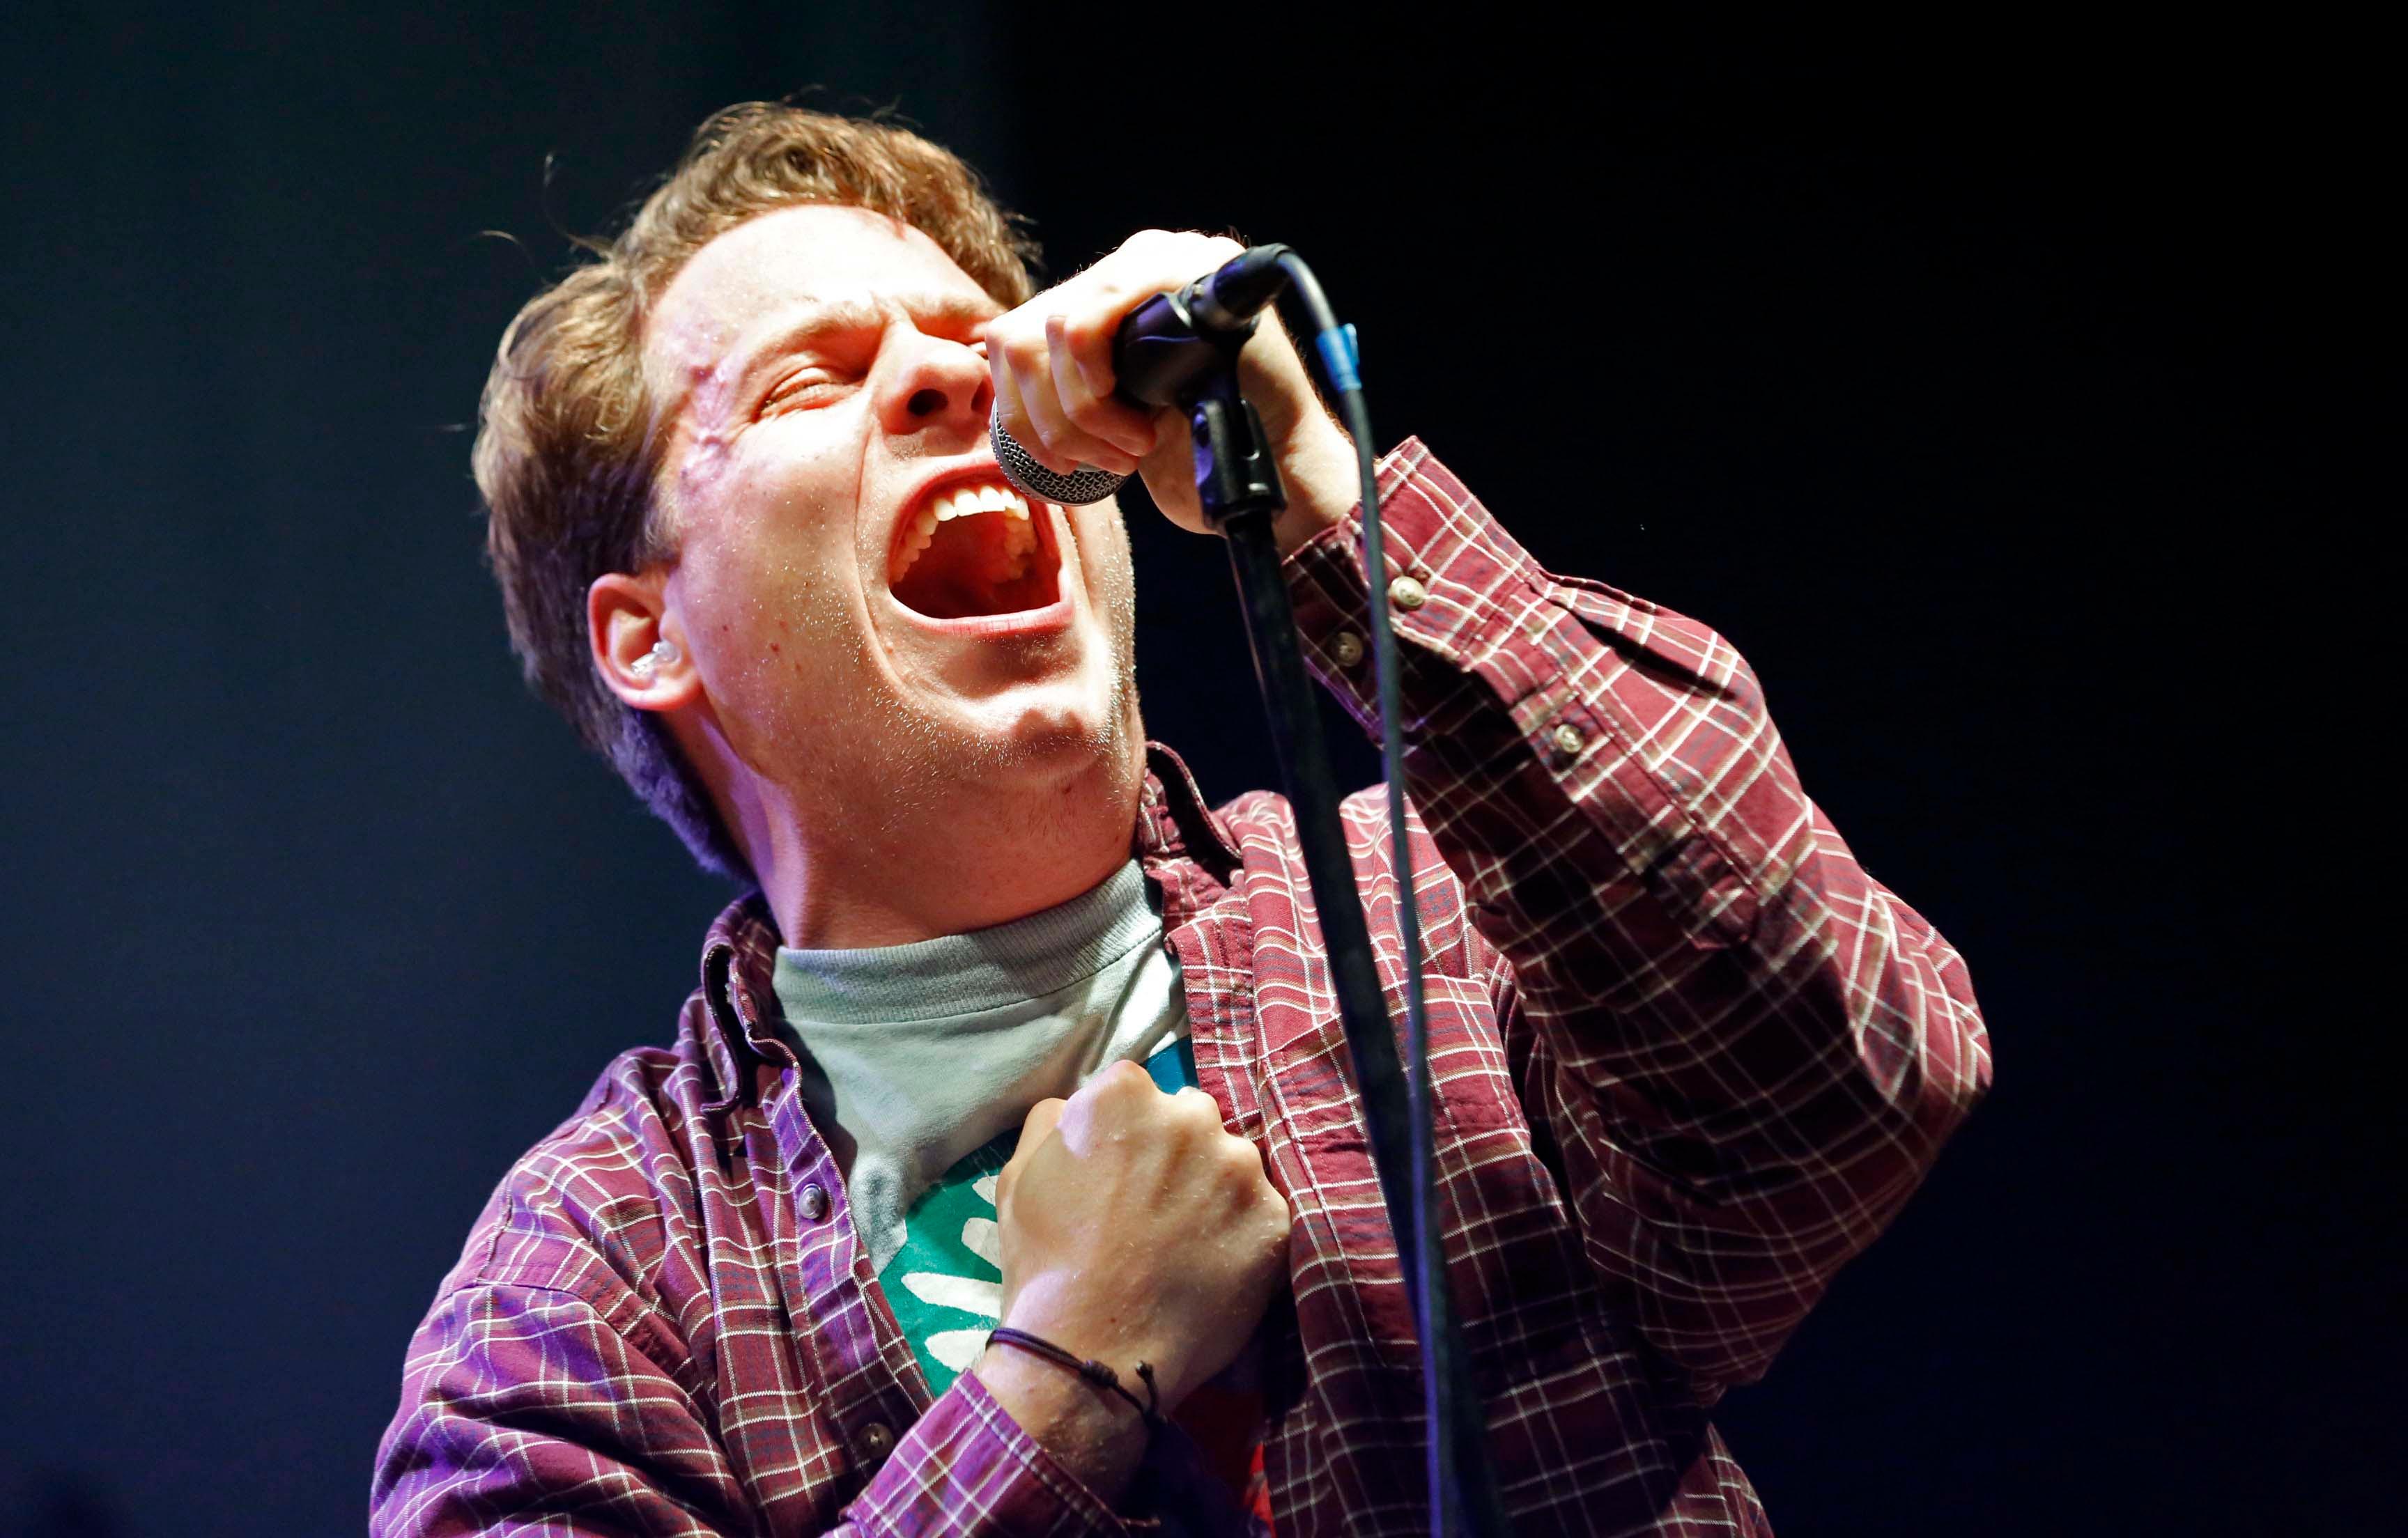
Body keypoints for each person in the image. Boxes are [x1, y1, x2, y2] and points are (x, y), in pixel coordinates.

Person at [371, 102, 1991, 1537]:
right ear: (647, 635)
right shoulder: (595, 1284)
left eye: (983, 343)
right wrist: (1065, 1378)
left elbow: (1851, 1086)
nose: (952, 374)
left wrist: (1329, 499)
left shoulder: (1442, 911)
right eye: (817, 379)